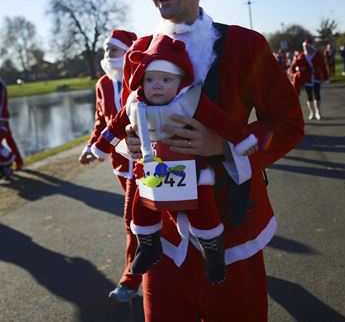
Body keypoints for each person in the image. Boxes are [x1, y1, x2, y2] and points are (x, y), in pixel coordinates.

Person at [122, 0, 303, 320]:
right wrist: (133, 142)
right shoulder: (138, 54)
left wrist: (223, 145)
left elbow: (288, 124)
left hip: (234, 234)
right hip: (164, 242)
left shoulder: (246, 46)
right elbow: (130, 121)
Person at [90, 33, 258, 285]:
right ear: (141, 81)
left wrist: (242, 139)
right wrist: (101, 148)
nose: (157, 85)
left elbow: (223, 122)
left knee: (204, 211)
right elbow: (114, 126)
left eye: (166, 79)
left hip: (191, 169)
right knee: (141, 208)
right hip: (153, 170)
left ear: (180, 81)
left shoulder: (191, 102)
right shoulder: (135, 106)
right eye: (150, 79)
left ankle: (212, 250)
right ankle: (148, 244)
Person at [78, 29, 143, 302]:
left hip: (146, 161)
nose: (107, 56)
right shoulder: (102, 84)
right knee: (142, 220)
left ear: (127, 51)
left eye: (113, 50)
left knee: (133, 221)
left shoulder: (141, 74)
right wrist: (90, 147)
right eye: (105, 51)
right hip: (119, 164)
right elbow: (100, 122)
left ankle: (132, 279)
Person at [288, 39, 329, 120]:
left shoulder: (317, 55)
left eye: (306, 46)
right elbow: (294, 67)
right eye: (304, 46)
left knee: (317, 95)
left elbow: (323, 66)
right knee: (309, 96)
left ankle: (318, 112)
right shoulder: (301, 56)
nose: (305, 48)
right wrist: (298, 68)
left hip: (316, 78)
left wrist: (325, 77)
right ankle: (312, 112)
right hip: (307, 79)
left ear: (311, 47)